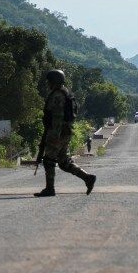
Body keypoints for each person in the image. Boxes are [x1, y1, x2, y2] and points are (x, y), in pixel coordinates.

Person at [34, 69, 96, 198]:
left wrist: (53, 136)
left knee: (49, 160)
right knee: (64, 162)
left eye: (49, 82)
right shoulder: (65, 93)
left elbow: (57, 117)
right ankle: (87, 178)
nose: (48, 84)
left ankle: (50, 189)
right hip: (65, 132)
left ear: (54, 82)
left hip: (58, 132)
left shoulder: (58, 96)